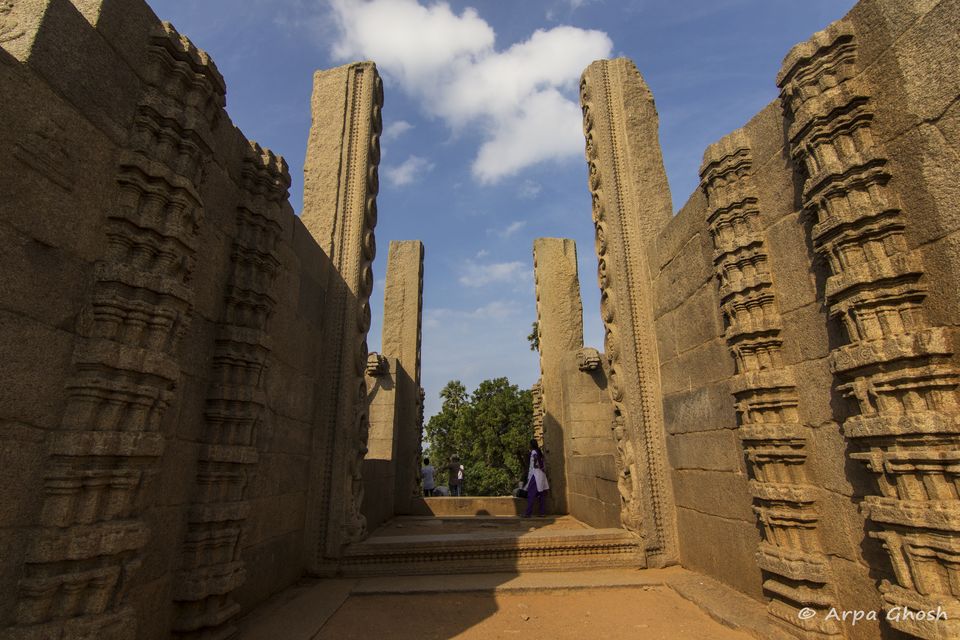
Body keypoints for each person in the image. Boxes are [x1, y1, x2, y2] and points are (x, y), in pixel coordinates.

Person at [524, 439, 549, 517]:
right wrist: (542, 467)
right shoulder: (539, 451)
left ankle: (528, 513)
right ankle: (542, 512)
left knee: (530, 493)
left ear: (531, 445)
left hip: (536, 474)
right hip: (541, 475)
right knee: (541, 494)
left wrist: (538, 465)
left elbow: (536, 459)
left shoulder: (534, 452)